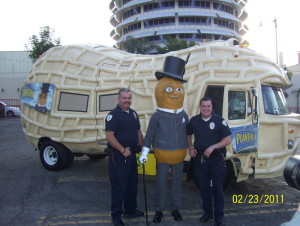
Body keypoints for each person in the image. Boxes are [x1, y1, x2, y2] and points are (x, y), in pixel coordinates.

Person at [139, 56, 189, 223]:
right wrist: (145, 151)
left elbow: (189, 133)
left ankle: (176, 208)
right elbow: (150, 135)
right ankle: (158, 210)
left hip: (179, 155)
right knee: (160, 183)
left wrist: (193, 147)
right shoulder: (157, 116)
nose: (175, 92)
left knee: (177, 184)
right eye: (169, 89)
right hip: (162, 155)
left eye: (178, 89)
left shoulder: (184, 115)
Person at [187, 97, 231, 226]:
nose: (205, 109)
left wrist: (213, 147)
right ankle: (207, 214)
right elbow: (188, 134)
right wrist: (190, 148)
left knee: (218, 189)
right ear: (200, 107)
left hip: (216, 160)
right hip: (200, 160)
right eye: (203, 106)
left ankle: (218, 217)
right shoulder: (194, 120)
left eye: (208, 106)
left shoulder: (219, 121)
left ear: (212, 107)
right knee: (204, 188)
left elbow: (228, 139)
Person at [105, 88, 144, 226]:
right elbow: (109, 136)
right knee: (119, 186)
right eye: (124, 98)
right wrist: (122, 150)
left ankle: (130, 210)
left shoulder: (133, 113)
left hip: (132, 155)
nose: (127, 100)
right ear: (119, 99)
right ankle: (116, 215)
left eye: (129, 98)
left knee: (132, 184)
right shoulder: (113, 115)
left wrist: (142, 147)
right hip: (120, 157)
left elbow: (138, 131)